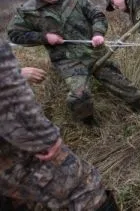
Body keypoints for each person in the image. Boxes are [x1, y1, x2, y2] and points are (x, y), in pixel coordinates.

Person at [8, 0, 140, 125]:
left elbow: (98, 15)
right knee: (80, 96)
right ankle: (90, 126)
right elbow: (14, 35)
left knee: (124, 86)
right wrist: (44, 37)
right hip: (67, 61)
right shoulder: (27, 12)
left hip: (94, 52)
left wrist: (98, 33)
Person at [0, 38, 118, 210]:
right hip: (17, 141)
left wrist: (98, 32)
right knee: (84, 189)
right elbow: (7, 86)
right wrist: (43, 137)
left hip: (89, 55)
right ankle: (90, 123)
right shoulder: (29, 15)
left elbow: (97, 16)